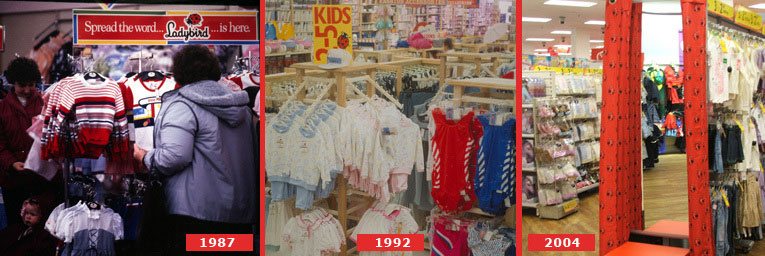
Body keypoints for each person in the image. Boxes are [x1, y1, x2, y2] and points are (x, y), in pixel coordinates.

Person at [132, 45, 257, 254]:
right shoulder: (242, 107)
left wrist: (144, 157)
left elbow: (173, 158)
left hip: (194, 217)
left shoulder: (182, 105)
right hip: (239, 218)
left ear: (178, 73)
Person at [0, 57, 58, 227]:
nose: (27, 89)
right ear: (12, 83)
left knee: (44, 227)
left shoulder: (45, 102)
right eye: (22, 85)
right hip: (13, 179)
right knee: (15, 225)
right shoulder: (2, 108)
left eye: (31, 85)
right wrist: (11, 163)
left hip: (42, 176)